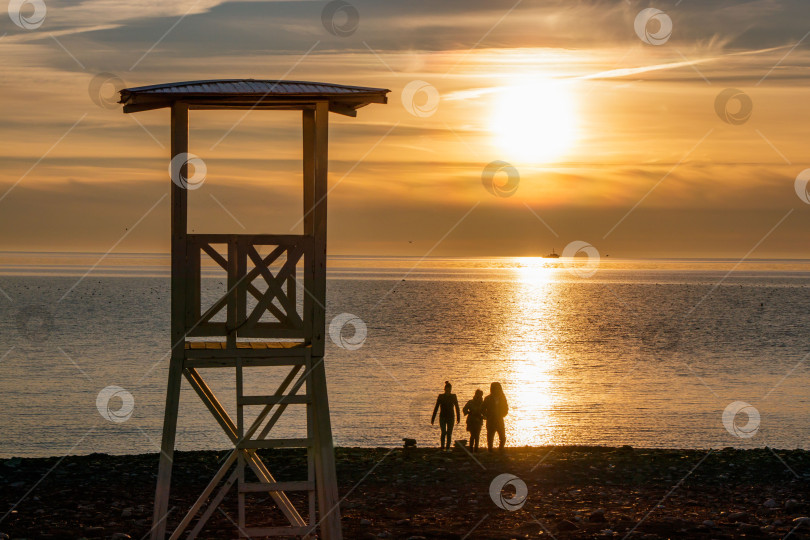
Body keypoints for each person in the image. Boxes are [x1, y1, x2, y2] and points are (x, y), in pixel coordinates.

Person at [431, 381, 460, 451]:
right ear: (445, 389)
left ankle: (447, 447)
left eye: (449, 390)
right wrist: (433, 418)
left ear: (450, 390)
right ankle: (442, 446)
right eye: (446, 389)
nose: (448, 391)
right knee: (443, 432)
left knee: (449, 433)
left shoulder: (453, 396)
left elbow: (457, 407)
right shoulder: (441, 397)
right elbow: (436, 407)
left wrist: (458, 417)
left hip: (451, 417)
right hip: (442, 417)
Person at [482, 382, 508, 452]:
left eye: (498, 388)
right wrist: (487, 416)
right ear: (492, 389)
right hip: (491, 420)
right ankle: (490, 451)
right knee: (490, 438)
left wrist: (502, 415)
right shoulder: (487, 398)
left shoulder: (502, 398)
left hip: (499, 420)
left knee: (502, 437)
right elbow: (483, 409)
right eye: (495, 388)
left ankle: (501, 449)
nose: (497, 390)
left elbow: (506, 408)